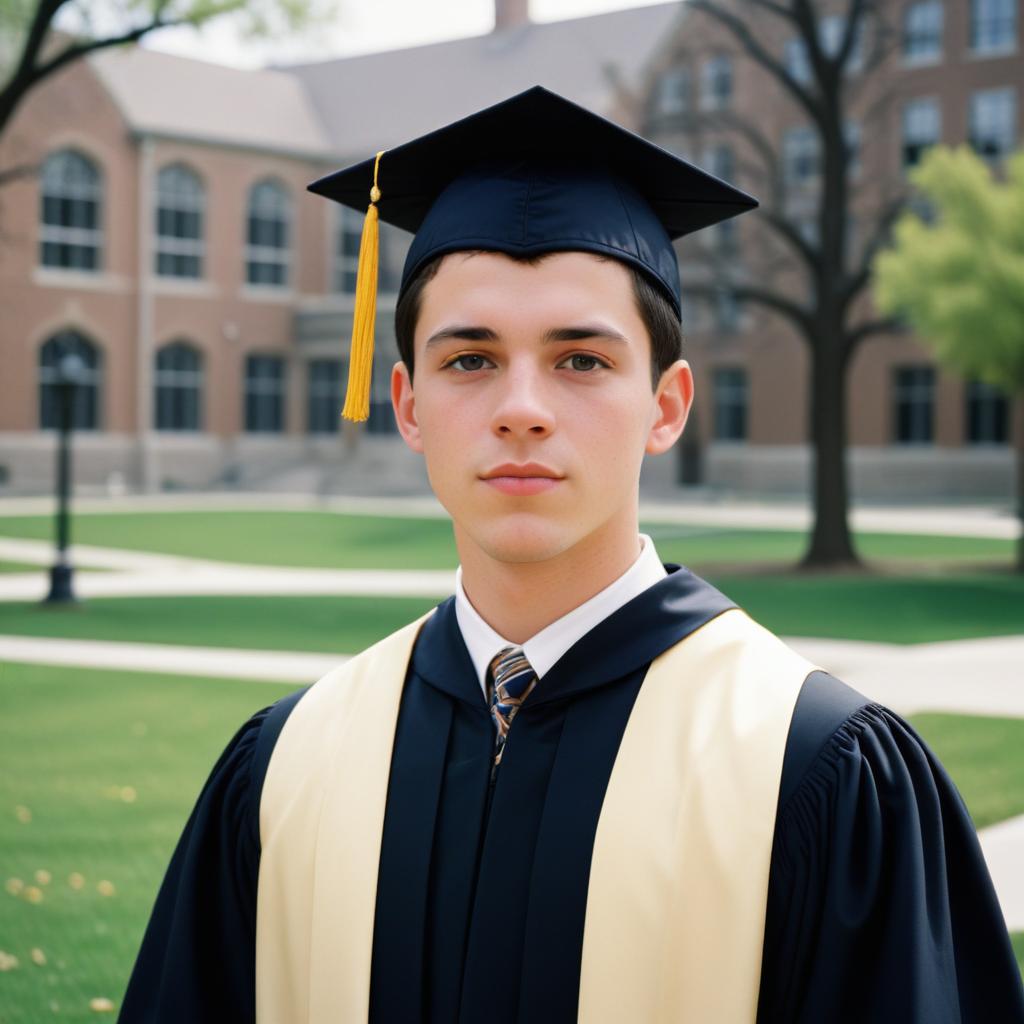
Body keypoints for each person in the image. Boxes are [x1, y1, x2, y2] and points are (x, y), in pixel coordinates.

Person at [119, 87, 1024, 1023]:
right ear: (410, 405)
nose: (522, 407)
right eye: (469, 359)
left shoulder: (812, 768)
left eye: (581, 360)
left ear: (666, 406)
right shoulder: (288, 764)